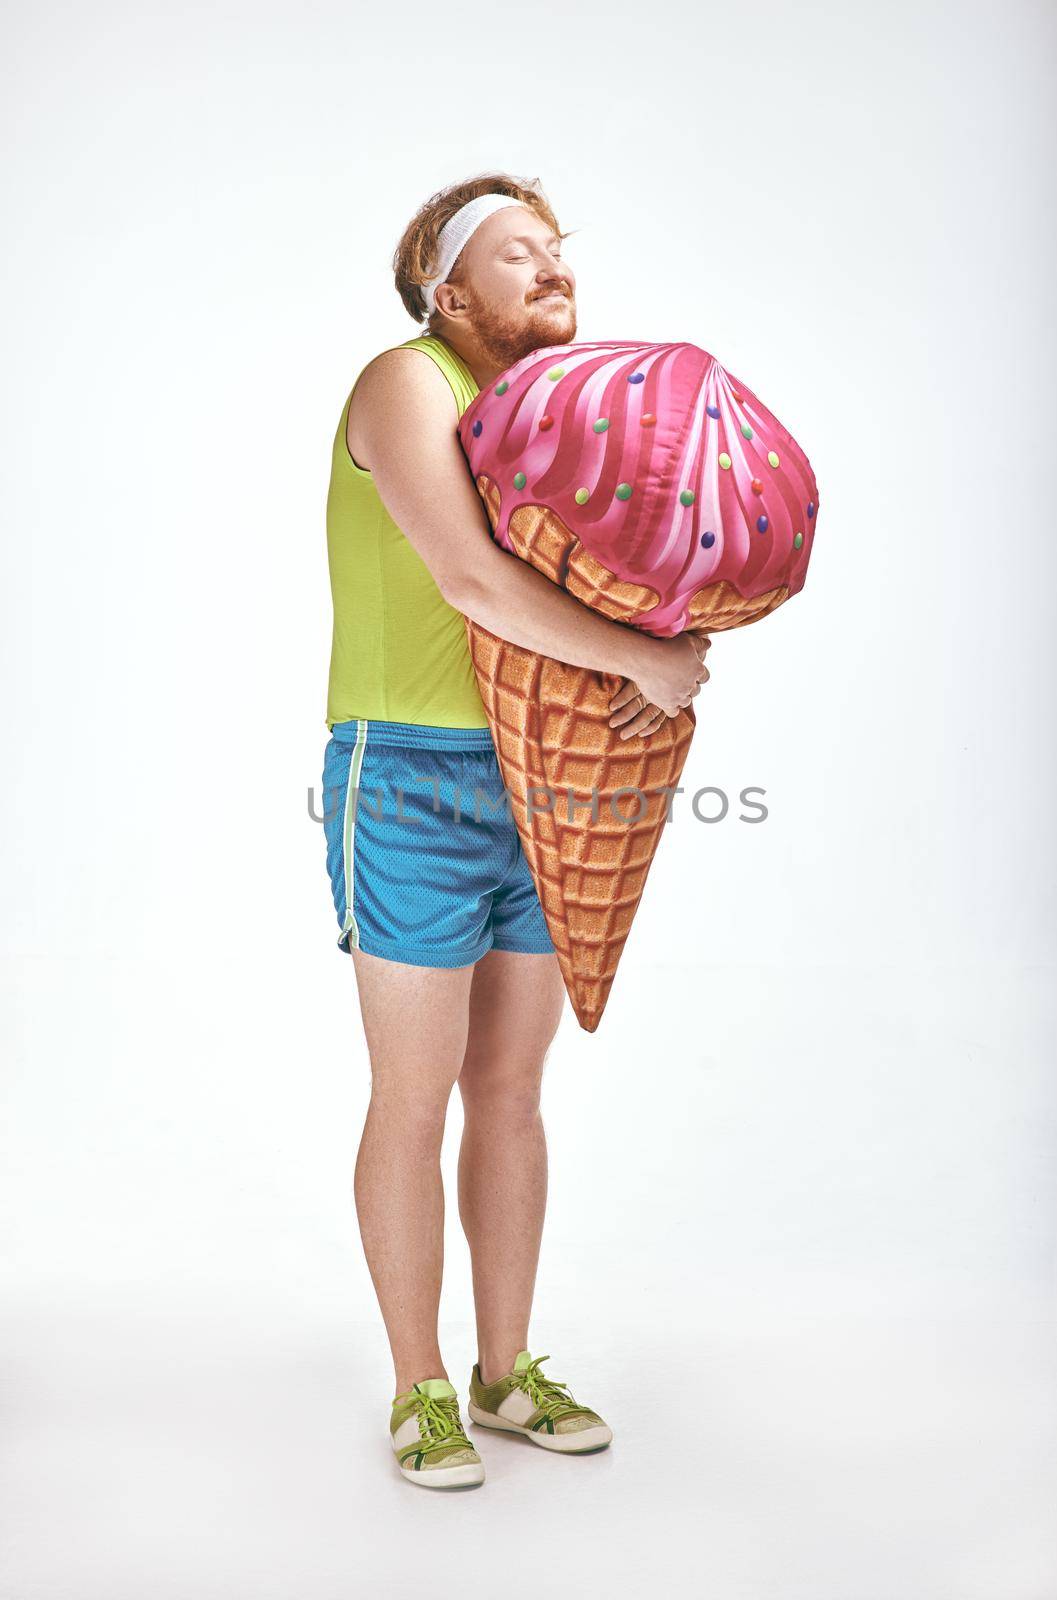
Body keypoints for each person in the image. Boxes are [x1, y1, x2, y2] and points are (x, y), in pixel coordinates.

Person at [321, 174, 710, 1489]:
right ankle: (418, 1387)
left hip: (550, 773)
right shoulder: (404, 380)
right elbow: (471, 579)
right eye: (517, 254)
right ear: (447, 289)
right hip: (409, 776)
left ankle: (503, 1371)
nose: (551, 270)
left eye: (559, 254)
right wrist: (645, 664)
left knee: (512, 1090)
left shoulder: (554, 412)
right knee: (416, 1090)